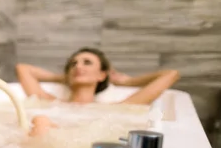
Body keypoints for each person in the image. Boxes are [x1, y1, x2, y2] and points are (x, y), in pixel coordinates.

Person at [15, 47, 180, 136]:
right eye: (73, 64)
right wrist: (65, 77)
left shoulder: (119, 107)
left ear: (102, 75)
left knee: (41, 120)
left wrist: (128, 81)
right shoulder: (47, 101)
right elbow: (23, 69)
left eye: (87, 63)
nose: (78, 66)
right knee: (41, 119)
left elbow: (171, 74)